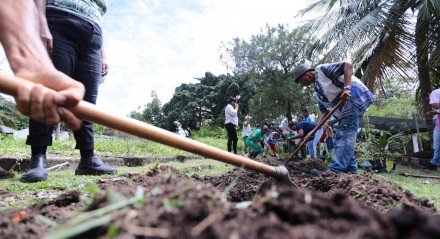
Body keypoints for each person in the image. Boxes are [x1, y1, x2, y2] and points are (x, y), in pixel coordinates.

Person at [20, 0, 116, 183]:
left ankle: (88, 159)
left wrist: (103, 54)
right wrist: (41, 23)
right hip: (59, 21)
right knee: (49, 92)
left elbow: (97, 15)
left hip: (93, 35)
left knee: (86, 102)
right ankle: (38, 158)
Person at [294, 62, 374, 174]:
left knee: (344, 134)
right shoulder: (318, 91)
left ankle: (335, 170)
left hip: (353, 97)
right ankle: (351, 171)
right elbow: (324, 112)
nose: (303, 84)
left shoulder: (320, 70)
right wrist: (314, 130)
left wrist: (346, 89)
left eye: (301, 81)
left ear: (306, 74)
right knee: (342, 138)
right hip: (344, 109)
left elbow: (347, 65)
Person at [427, 88, 440, 170]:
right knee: (436, 146)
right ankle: (433, 163)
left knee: (437, 146)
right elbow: (435, 107)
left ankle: (433, 163)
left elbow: (436, 105)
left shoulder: (435, 93)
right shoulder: (436, 92)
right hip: (439, 125)